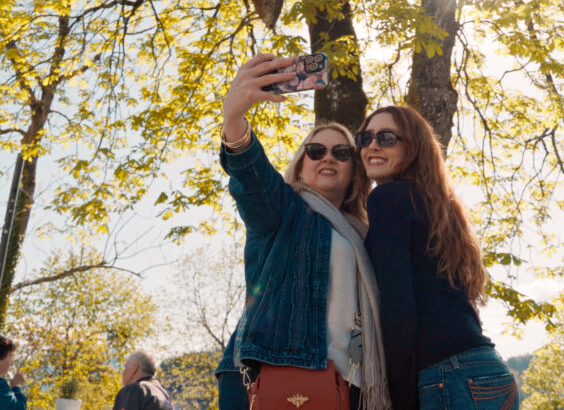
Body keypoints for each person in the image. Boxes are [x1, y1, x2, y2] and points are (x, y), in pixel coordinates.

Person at [214, 54, 390, 410]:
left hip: (347, 383)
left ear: (355, 170)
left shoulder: (366, 237)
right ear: (300, 166)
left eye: (341, 152)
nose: (328, 157)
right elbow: (252, 178)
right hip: (271, 375)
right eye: (315, 150)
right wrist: (234, 119)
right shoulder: (282, 212)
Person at [358, 105, 517, 410]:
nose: (373, 145)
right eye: (364, 138)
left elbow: (398, 305)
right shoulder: (438, 207)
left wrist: (399, 396)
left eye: (387, 137)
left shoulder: (389, 199)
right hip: (487, 370)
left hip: (449, 375)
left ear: (412, 148)